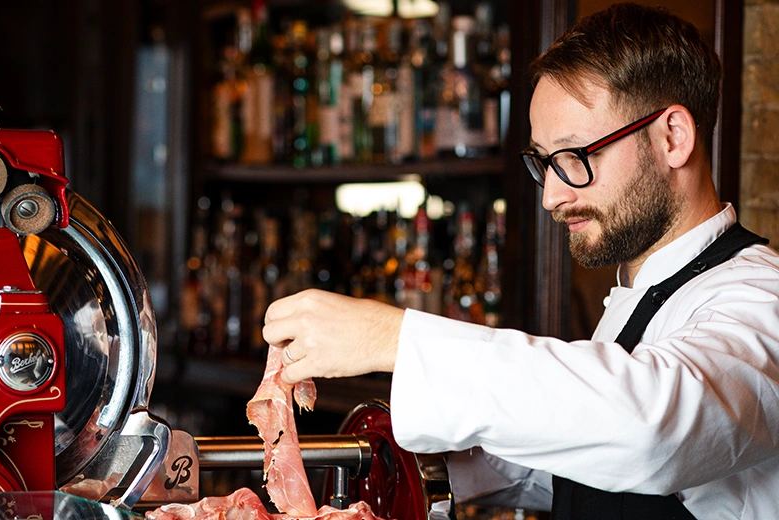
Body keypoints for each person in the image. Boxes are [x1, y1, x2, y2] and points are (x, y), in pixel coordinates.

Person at [262, 3, 779, 519]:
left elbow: (656, 431)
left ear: (673, 137)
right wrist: (409, 466)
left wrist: (394, 339)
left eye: (575, 157)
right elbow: (588, 452)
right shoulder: (643, 291)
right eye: (544, 162)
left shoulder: (759, 299)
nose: (552, 195)